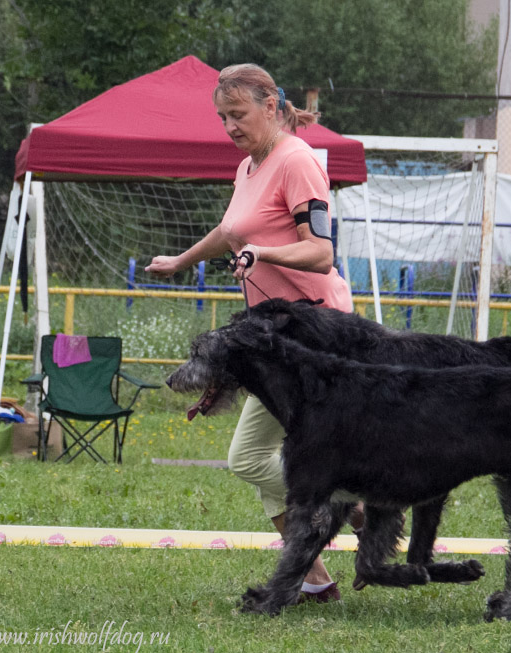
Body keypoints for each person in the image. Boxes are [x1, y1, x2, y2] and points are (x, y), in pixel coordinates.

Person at [146, 63, 362, 603]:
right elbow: (229, 231)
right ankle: (317, 581)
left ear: (270, 105)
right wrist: (180, 260)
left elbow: (321, 252)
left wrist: (263, 252)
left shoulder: (298, 162)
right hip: (273, 337)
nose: (229, 127)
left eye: (237, 114)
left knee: (248, 458)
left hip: (313, 335)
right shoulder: (248, 167)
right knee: (258, 461)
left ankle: (352, 498)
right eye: (222, 117)